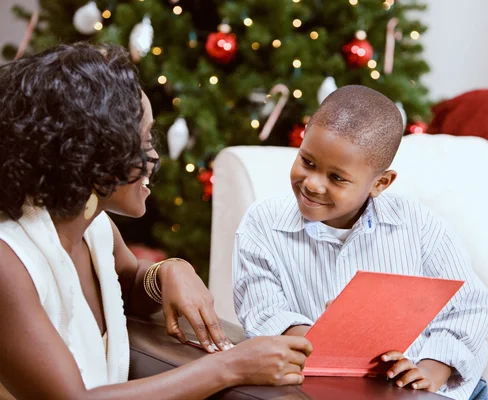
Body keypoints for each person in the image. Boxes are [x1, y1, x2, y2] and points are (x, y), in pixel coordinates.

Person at [0, 43, 312, 399]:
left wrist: (169, 272)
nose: (155, 156)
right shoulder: (9, 262)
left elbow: (128, 288)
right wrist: (230, 366)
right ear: (91, 150)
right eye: (144, 140)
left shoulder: (94, 228)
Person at [233, 85, 488, 400]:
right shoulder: (262, 223)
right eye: (307, 161)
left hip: (434, 392)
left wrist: (429, 371)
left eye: (337, 178)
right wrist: (331, 344)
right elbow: (263, 311)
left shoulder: (419, 226)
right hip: (331, 389)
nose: (313, 184)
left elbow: (470, 306)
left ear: (380, 183)